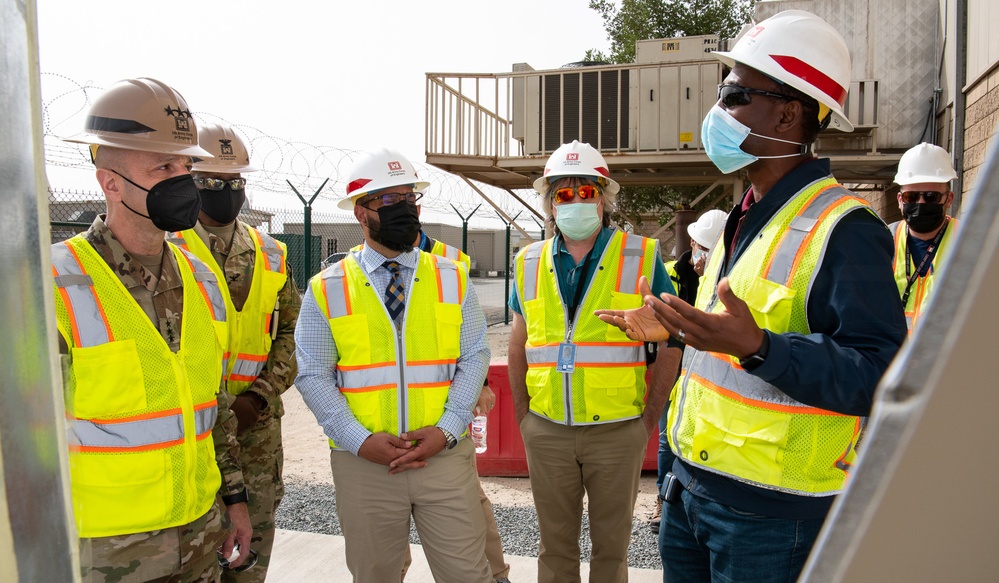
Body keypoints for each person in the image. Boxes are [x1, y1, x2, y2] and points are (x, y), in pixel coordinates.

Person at [596, 11, 907, 582]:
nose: (717, 111)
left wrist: (761, 348)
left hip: (771, 513)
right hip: (693, 487)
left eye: (734, 94)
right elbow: (727, 342)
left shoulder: (845, 228)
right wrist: (682, 328)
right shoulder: (746, 215)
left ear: (789, 113)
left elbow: (880, 375)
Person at [55, 77, 252, 581]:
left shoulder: (200, 276)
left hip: (201, 532)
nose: (183, 180)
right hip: (108, 551)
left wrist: (234, 501)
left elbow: (213, 405)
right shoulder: (54, 282)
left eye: (186, 165)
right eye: (164, 166)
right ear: (111, 183)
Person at [296, 148, 492, 582]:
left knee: (468, 575)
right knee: (375, 575)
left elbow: (474, 355)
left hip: (444, 456)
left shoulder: (451, 276)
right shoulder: (326, 288)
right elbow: (313, 375)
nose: (404, 209)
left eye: (408, 199)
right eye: (388, 201)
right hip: (364, 464)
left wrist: (447, 429)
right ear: (361, 214)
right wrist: (357, 440)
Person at [508, 140, 682, 583]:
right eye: (563, 195)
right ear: (549, 204)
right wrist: (524, 417)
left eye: (586, 192)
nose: (575, 202)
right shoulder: (527, 262)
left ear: (603, 199)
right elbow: (518, 341)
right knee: (555, 549)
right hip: (547, 429)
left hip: (618, 429)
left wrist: (648, 420)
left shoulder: (640, 255)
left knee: (612, 550)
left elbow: (673, 341)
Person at [167, 121, 301, 582]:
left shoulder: (271, 252)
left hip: (256, 433)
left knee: (250, 558)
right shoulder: (165, 247)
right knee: (196, 555)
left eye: (233, 183)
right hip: (195, 429)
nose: (223, 192)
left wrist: (258, 397)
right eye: (209, 182)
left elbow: (291, 333)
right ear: (188, 181)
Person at [651, 207, 727, 534]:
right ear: (692, 244)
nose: (701, 256)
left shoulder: (732, 280)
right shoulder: (670, 275)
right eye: (700, 247)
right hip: (676, 369)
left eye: (710, 250)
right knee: (670, 437)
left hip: (715, 374)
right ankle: (663, 501)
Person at [889, 142, 960, 332]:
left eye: (931, 196)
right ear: (900, 200)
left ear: (949, 199)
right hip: (894, 358)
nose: (921, 203)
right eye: (911, 197)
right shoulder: (883, 241)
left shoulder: (967, 241)